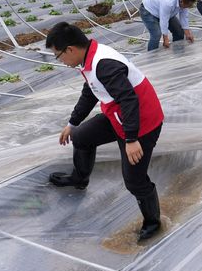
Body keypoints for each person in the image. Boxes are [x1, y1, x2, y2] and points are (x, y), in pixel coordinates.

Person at [46, 22, 164, 241]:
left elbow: (129, 100)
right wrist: (73, 123)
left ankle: (153, 222)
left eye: (58, 55)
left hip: (142, 122)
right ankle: (79, 179)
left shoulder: (104, 64)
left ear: (70, 49)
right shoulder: (88, 59)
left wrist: (131, 138)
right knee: (81, 137)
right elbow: (91, 91)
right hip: (117, 116)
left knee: (134, 180)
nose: (60, 60)